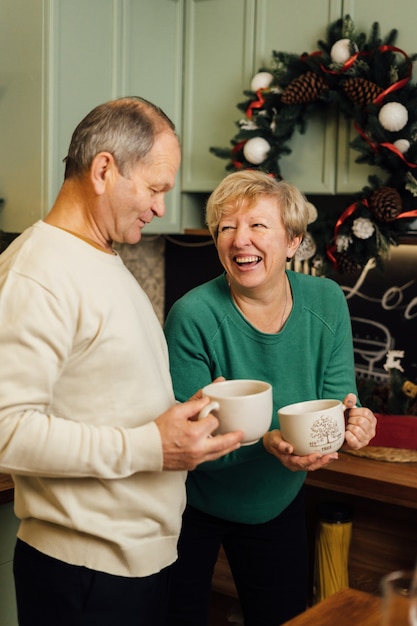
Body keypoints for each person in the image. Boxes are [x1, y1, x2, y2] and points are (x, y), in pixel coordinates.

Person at [0, 97, 244, 626]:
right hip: (83, 573)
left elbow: (106, 395)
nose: (161, 207)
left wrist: (183, 419)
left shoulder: (102, 256)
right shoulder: (39, 273)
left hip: (133, 566)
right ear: (104, 169)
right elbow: (6, 431)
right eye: (156, 188)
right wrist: (151, 445)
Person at [164, 170, 377, 625]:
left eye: (258, 225)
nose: (241, 239)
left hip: (276, 503)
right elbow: (181, 443)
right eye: (226, 227)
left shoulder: (325, 301)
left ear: (293, 241)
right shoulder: (193, 316)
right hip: (190, 507)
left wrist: (353, 424)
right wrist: (265, 442)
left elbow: (337, 400)